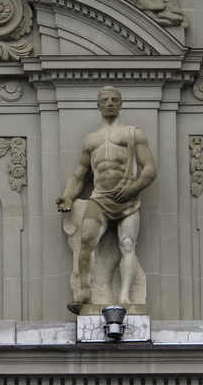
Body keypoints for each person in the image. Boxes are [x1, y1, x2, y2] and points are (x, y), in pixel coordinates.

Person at [57, 86, 158, 311]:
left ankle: (124, 296)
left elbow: (150, 169)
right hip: (100, 199)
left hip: (127, 200)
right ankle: (84, 291)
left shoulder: (133, 134)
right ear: (98, 105)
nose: (109, 103)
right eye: (105, 100)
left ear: (121, 104)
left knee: (127, 244)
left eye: (114, 99)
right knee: (85, 243)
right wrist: (67, 197)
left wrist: (134, 189)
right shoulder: (91, 140)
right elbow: (79, 175)